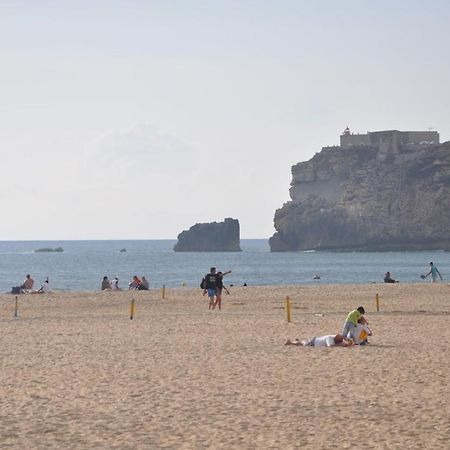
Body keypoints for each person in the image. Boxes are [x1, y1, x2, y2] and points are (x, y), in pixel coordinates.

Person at [284, 334, 353, 347]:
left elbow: (343, 343)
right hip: (314, 342)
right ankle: (291, 342)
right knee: (302, 344)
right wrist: (341, 345)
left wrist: (348, 342)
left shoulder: (336, 339)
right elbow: (330, 346)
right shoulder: (330, 338)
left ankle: (298, 340)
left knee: (303, 342)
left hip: (316, 341)